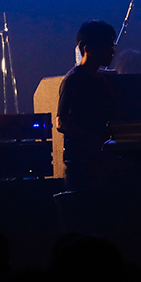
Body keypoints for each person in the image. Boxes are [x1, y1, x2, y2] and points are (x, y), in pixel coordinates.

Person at [57, 20, 119, 191]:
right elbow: (62, 122)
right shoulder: (73, 80)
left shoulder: (104, 80)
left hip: (103, 164)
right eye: (107, 45)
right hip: (83, 167)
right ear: (87, 48)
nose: (112, 50)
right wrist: (96, 141)